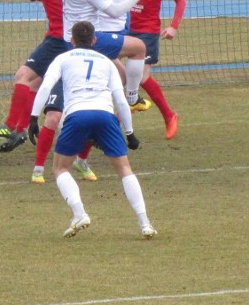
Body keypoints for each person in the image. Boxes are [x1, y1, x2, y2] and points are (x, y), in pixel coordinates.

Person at [28, 21, 156, 239]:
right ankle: (145, 223)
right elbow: (121, 100)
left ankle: (79, 213)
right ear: (94, 40)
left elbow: (46, 87)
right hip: (105, 116)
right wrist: (130, 132)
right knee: (125, 169)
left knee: (60, 168)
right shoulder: (106, 62)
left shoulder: (63, 58)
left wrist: (33, 117)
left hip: (77, 115)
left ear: (72, 41)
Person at [0, 0, 98, 182]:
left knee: (24, 78)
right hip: (61, 39)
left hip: (59, 41)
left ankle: (13, 127)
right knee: (31, 82)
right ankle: (20, 130)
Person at [61, 0, 160, 107]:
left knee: (121, 76)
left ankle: (98, 107)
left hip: (74, 35)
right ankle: (132, 97)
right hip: (86, 39)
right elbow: (115, 12)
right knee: (139, 47)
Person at [127, 0, 187, 140]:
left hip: (147, 33)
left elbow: (180, 0)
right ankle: (129, 106)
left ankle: (169, 116)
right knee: (116, 74)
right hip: (124, 30)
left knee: (142, 77)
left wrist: (173, 26)